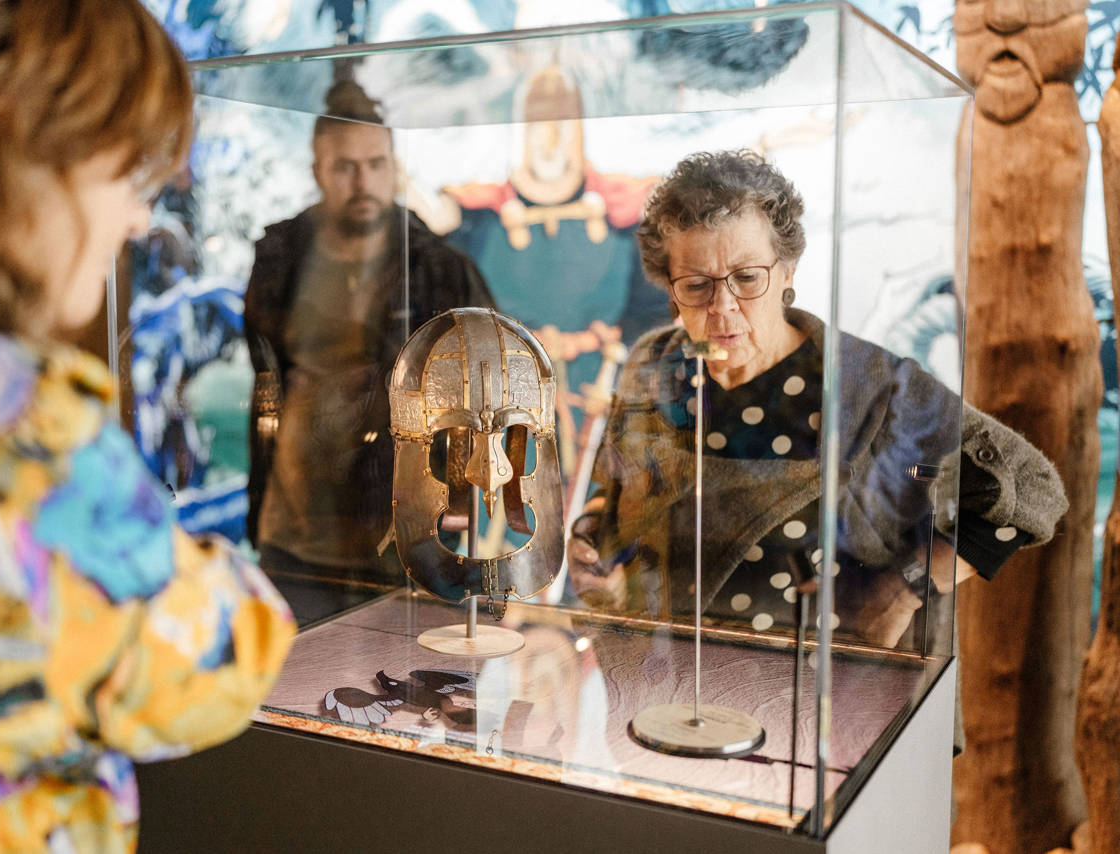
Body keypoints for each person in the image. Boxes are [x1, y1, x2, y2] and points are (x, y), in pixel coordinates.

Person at [0, 2, 295, 851]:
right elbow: (221, 659)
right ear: (17, 150)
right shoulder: (1, 421)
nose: (136, 219)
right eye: (123, 173)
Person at [567, 150, 1067, 646]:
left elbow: (1033, 489)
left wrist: (904, 590)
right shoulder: (654, 361)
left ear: (787, 272)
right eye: (697, 285)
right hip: (668, 677)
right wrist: (595, 542)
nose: (723, 307)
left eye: (747, 277)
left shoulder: (867, 384)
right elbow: (617, 482)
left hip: (820, 684)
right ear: (670, 290)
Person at [243, 80, 493, 625]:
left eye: (376, 164)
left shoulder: (439, 268)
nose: (363, 182)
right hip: (295, 531)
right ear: (317, 170)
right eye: (345, 167)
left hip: (404, 531)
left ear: (393, 166)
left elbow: (488, 393)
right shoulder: (279, 258)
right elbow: (267, 380)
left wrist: (458, 500)